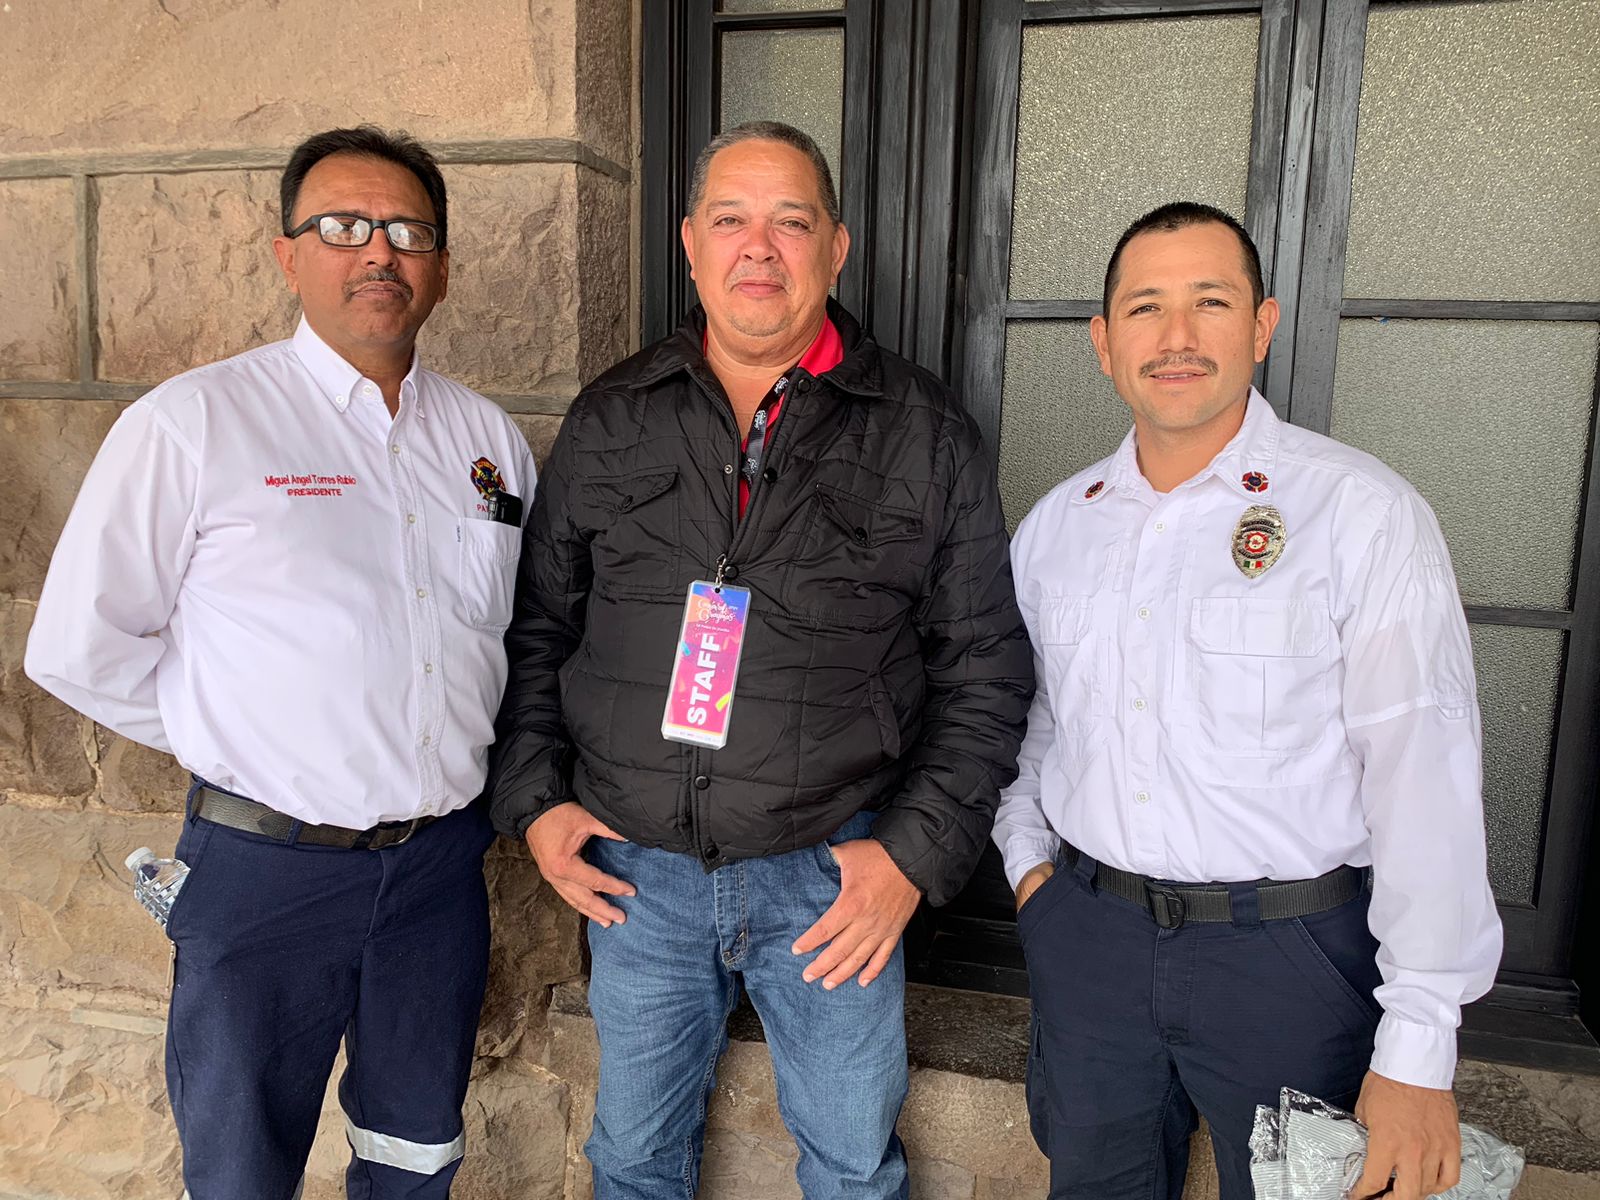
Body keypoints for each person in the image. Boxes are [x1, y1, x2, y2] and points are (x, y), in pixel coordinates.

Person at [485, 120, 1033, 1198]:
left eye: (792, 222)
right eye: (731, 220)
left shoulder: (920, 434)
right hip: (634, 877)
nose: (759, 248)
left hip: (831, 880)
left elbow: (984, 672)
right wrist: (535, 803)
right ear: (690, 245)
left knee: (850, 1166)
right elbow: (540, 629)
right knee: (632, 1161)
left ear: (836, 247)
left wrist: (913, 858)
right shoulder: (614, 416)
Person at [25, 125, 535, 1200]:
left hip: (440, 874)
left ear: (441, 265)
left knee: (415, 1151)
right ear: (287, 253)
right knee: (243, 1167)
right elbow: (78, 645)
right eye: (344, 227)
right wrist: (236, 727)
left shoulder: (488, 442)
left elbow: (497, 639)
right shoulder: (198, 422)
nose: (378, 253)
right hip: (266, 871)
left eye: (407, 231)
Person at [993, 201, 1502, 1200]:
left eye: (1209, 302)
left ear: (1260, 325)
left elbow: (1423, 781)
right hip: (1091, 941)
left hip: (1290, 965)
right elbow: (1036, 723)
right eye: (1145, 308)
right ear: (1103, 343)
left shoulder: (1359, 514)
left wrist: (1417, 1048)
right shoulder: (1058, 528)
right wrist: (1030, 877)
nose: (1175, 337)